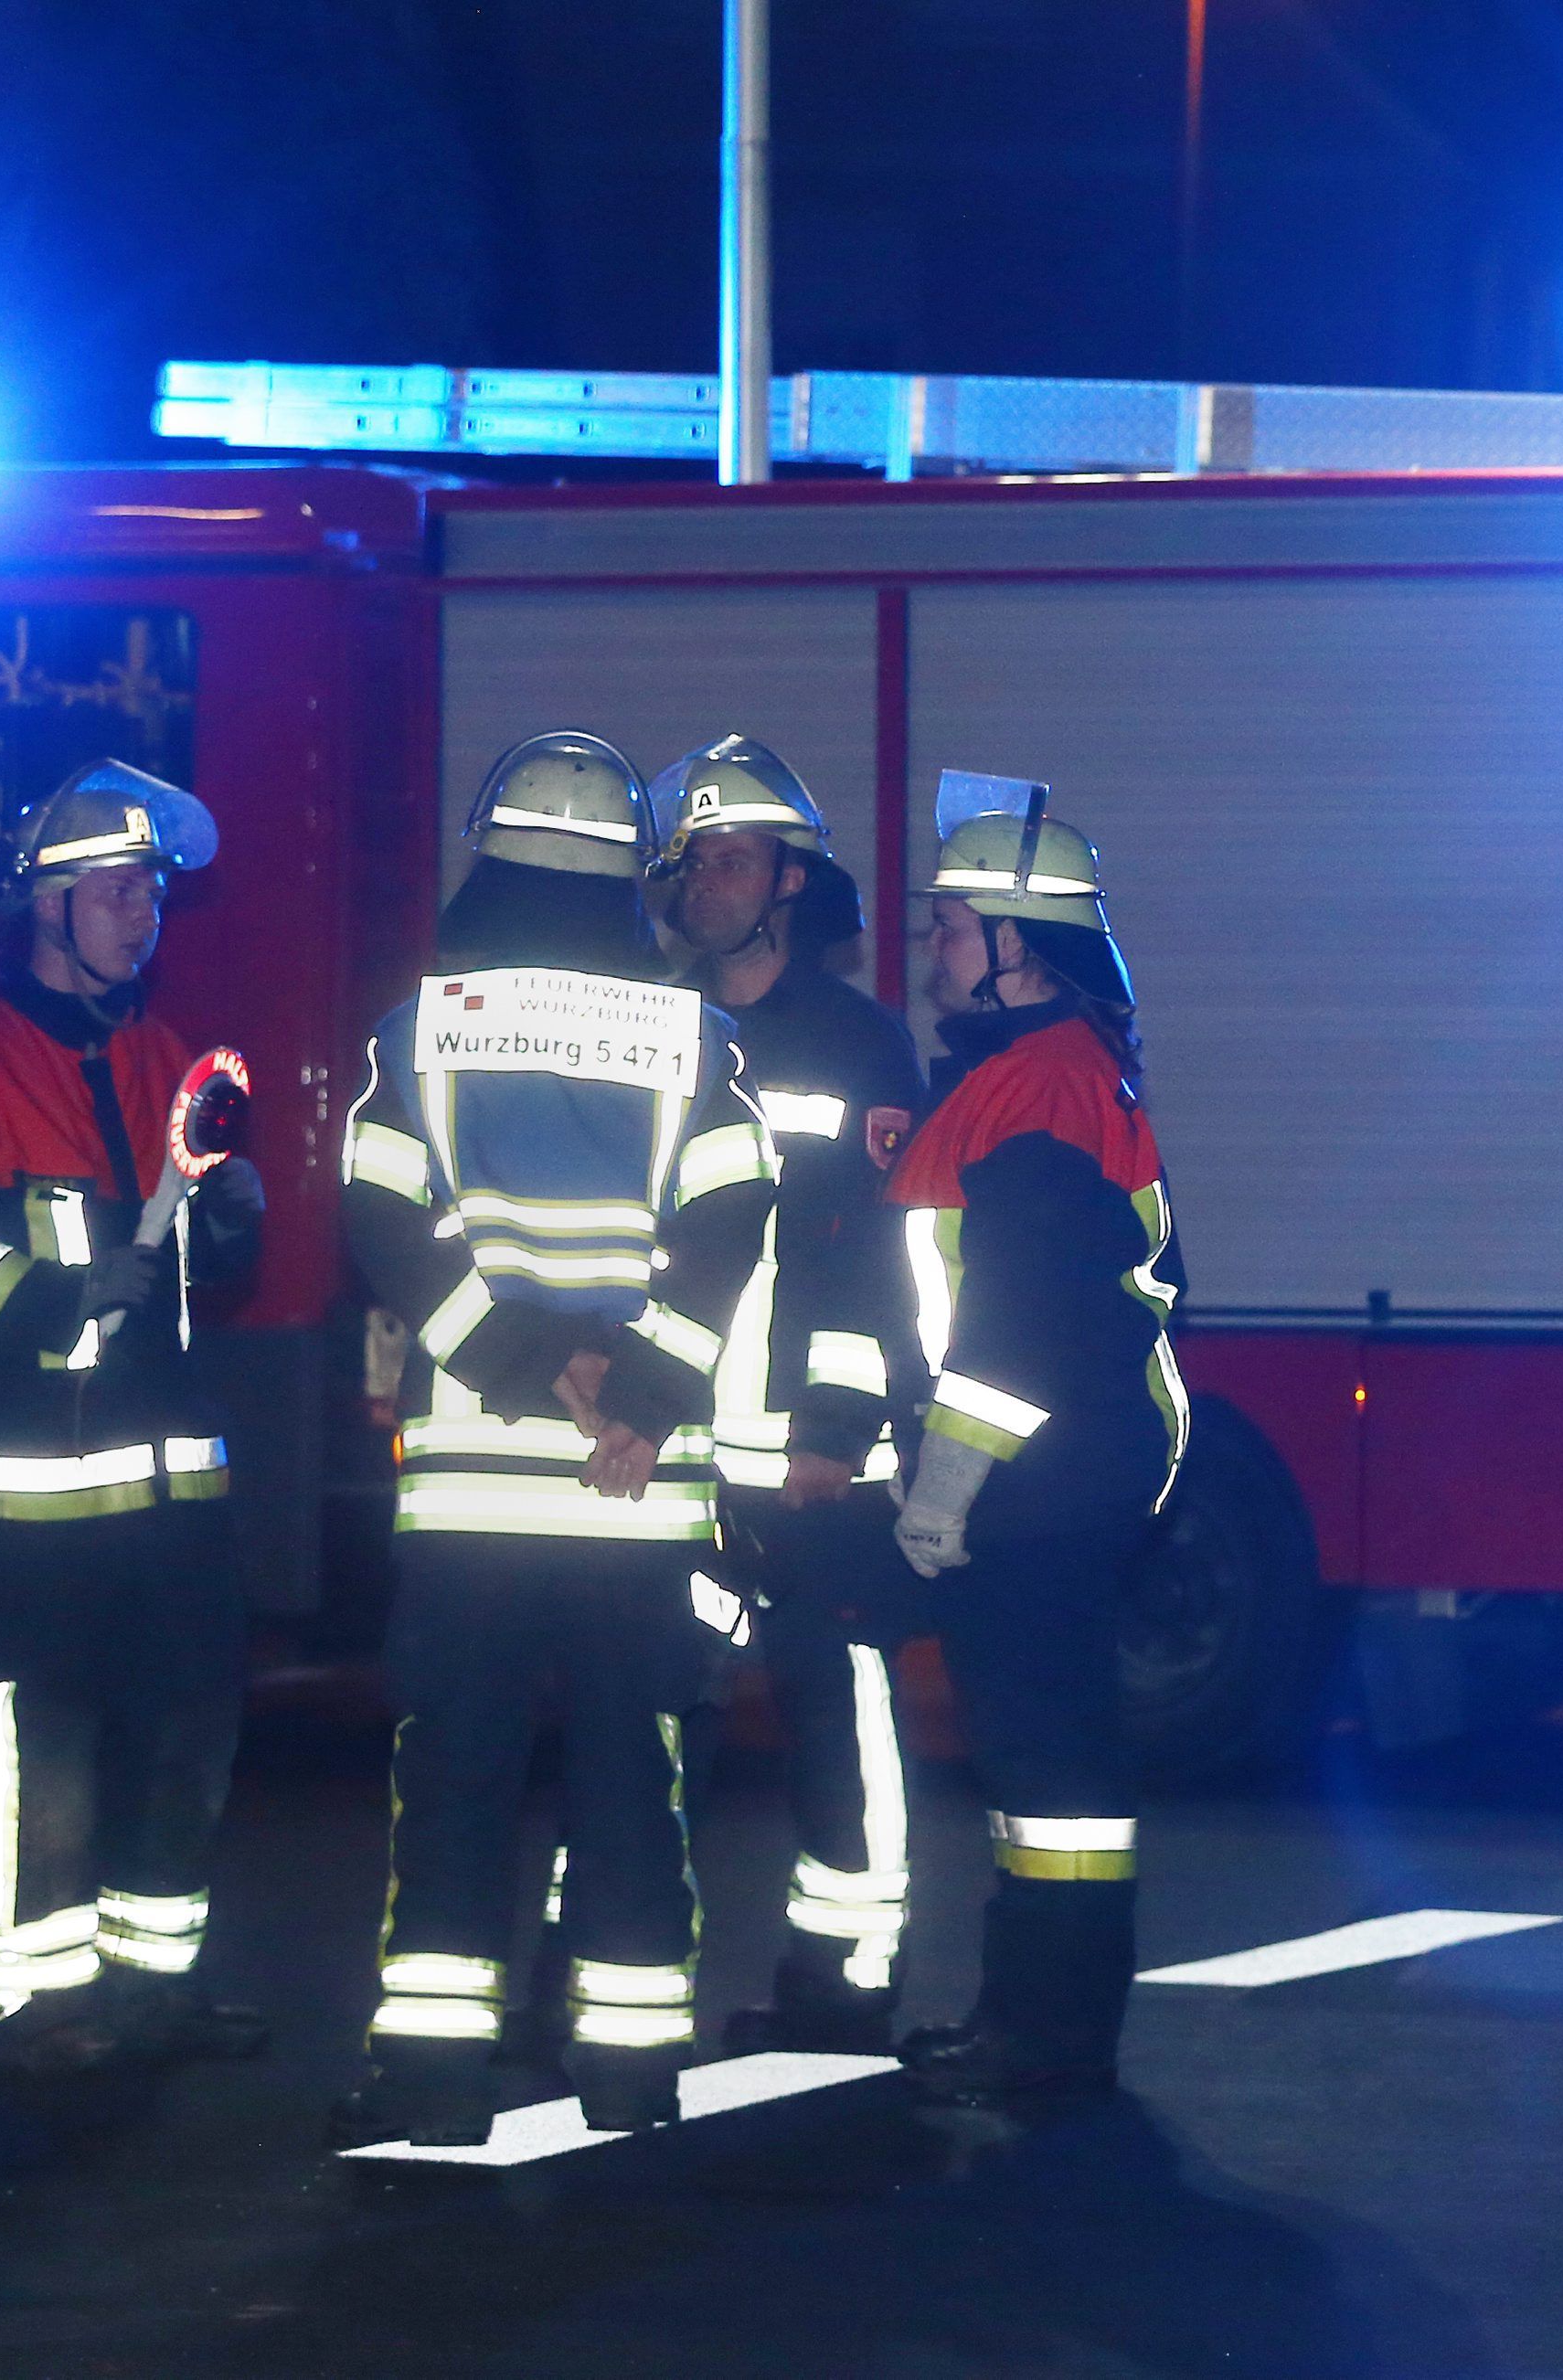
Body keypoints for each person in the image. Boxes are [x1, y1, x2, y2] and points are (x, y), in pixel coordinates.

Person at [330, 732, 778, 2146]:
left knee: (456, 1777)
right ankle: (634, 2070)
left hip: (471, 1494)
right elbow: (729, 1226)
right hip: (632, 1502)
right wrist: (636, 1396)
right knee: (633, 1784)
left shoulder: (420, 1028)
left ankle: (430, 2077)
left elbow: (382, 1221)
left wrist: (529, 1367)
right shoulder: (693, 1038)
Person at [0, 760, 269, 2074]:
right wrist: (53, 1298)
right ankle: (45, 2011)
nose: (141, 914)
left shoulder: (165, 1057)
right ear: (45, 908)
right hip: (19, 1510)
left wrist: (231, 1224)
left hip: (168, 1511)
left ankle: (154, 1991)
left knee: (181, 1742)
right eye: (114, 892)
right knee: (43, 1771)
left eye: (151, 891)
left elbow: (201, 1276)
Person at [884, 784, 1188, 2105]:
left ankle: (1050, 2044)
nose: (934, 947)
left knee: (1051, 1776)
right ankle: (1030, 2023)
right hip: (1064, 1481)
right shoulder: (1042, 1078)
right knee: (1036, 1773)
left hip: (1035, 1490)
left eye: (952, 925)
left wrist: (942, 1492)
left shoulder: (1039, 1093)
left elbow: (1011, 1332)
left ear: (1018, 943)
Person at [639, 736, 933, 2057]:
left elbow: (879, 1253)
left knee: (835, 1704)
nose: (710, 878)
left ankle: (847, 1974)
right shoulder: (650, 1023)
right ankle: (609, 1956)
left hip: (805, 1464)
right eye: (696, 855)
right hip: (662, 1441)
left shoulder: (859, 1044)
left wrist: (834, 1430)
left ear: (795, 885)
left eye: (738, 855)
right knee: (640, 1700)